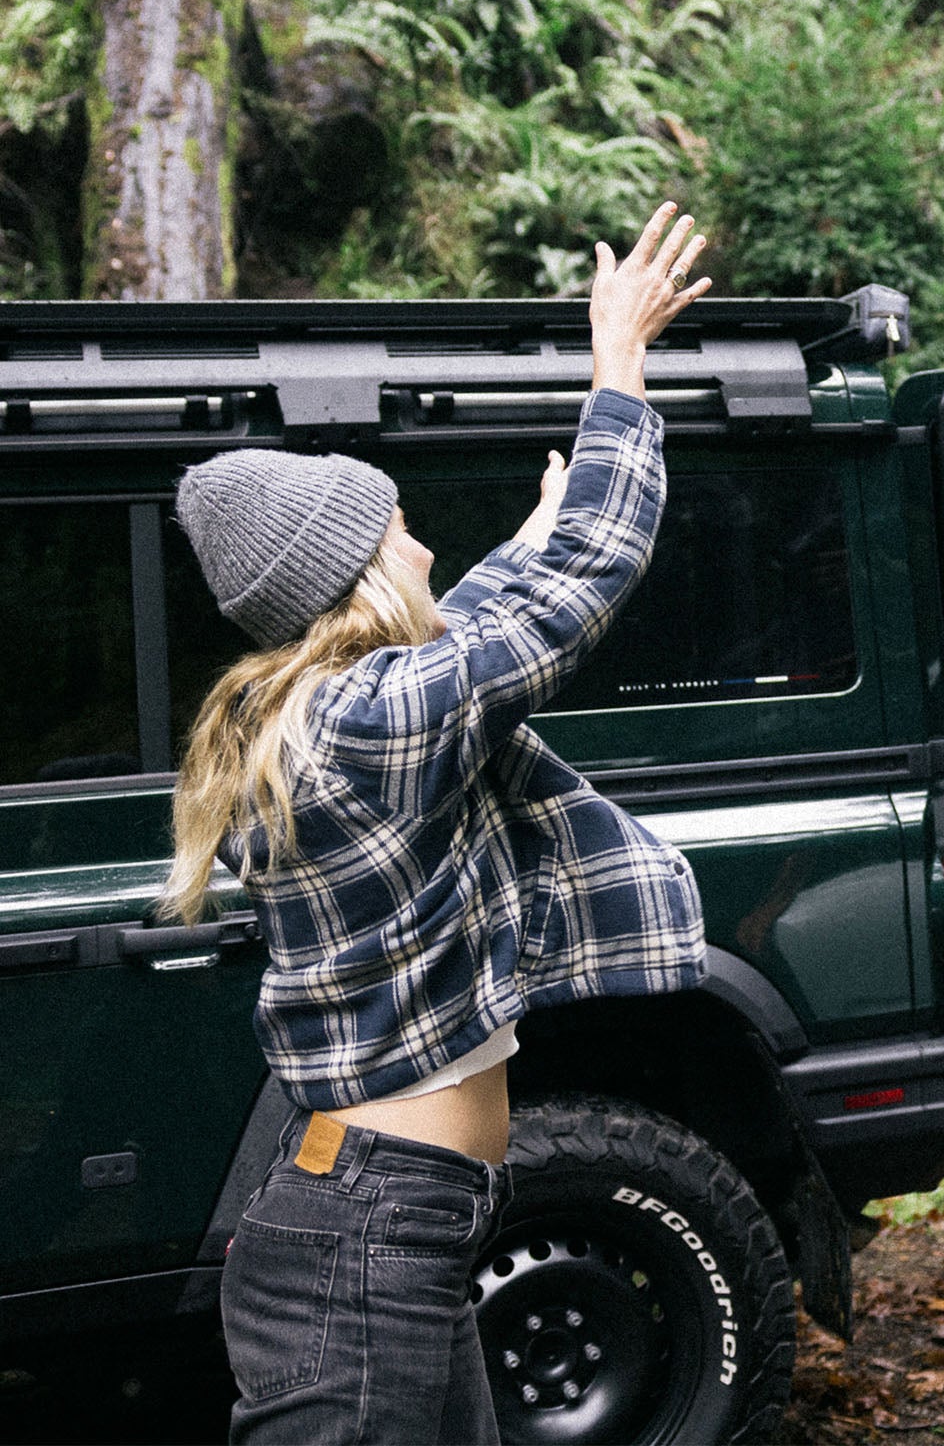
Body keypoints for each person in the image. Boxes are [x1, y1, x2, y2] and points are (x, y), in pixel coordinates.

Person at [166, 202, 712, 1444]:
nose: (422, 540)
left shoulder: (317, 712)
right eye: (399, 526)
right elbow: (582, 578)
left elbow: (467, 637)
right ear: (357, 573)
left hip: (387, 1222)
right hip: (366, 1237)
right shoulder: (365, 722)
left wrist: (515, 552)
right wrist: (618, 360)